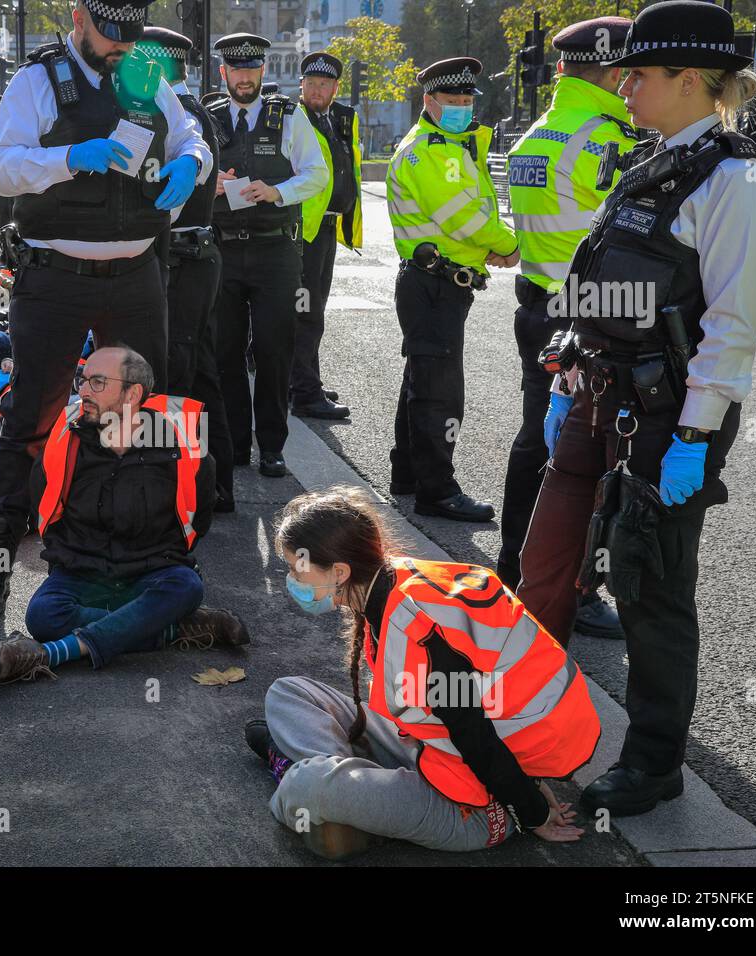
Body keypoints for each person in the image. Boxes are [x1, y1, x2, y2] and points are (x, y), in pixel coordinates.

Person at [521, 0, 756, 817]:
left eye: (639, 73)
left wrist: (696, 437)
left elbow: (731, 330)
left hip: (670, 419)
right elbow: (604, 271)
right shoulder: (649, 162)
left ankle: (654, 761)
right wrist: (571, 352)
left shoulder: (737, 183)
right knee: (546, 563)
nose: (622, 84)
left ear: (692, 80)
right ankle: (527, 722)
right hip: (597, 393)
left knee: (648, 588)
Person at [0, 0, 211, 619]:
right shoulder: (38, 80)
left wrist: (192, 161)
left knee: (144, 415)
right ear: (79, 17)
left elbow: (191, 138)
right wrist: (69, 159)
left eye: (131, 37)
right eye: (111, 35)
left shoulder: (148, 77)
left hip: (136, 274)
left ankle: (151, 552)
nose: (122, 49)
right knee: (33, 416)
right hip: (56, 276)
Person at [246, 486, 598, 859]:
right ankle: (351, 803)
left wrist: (534, 811)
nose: (291, 579)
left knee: (308, 785)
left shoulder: (421, 631)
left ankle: (327, 793)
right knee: (289, 692)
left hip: (476, 805)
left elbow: (476, 736)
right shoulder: (390, 579)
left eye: (297, 568)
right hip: (433, 752)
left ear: (339, 571)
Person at [0, 346, 248, 685]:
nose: (83, 390)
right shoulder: (65, 438)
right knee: (42, 615)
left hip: (152, 570)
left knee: (186, 585)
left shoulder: (182, 446)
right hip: (83, 571)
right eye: (83, 379)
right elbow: (44, 505)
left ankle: (51, 654)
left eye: (97, 382)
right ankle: (174, 627)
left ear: (133, 393)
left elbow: (199, 519)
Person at [499, 17, 637, 641]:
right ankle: (575, 588)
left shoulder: (540, 132)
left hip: (540, 303)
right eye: (630, 73)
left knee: (540, 440)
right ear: (613, 74)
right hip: (593, 314)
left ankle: (516, 568)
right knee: (590, 454)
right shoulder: (609, 138)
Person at [386, 57, 516, 522]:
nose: (462, 107)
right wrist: (508, 245)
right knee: (440, 393)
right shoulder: (434, 150)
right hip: (434, 283)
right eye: (453, 101)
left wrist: (488, 248)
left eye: (466, 100)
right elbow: (464, 217)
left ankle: (407, 474)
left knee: (421, 381)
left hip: (436, 281)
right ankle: (437, 491)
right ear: (429, 102)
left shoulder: (449, 145)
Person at [208, 33, 328, 481]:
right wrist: (211, 181)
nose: (243, 78)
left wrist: (278, 191)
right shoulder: (209, 117)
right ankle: (237, 443)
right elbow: (184, 166)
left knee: (276, 349)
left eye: (251, 70)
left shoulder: (289, 116)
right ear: (224, 74)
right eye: (236, 70)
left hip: (275, 249)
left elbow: (317, 174)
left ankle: (273, 447)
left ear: (263, 72)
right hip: (222, 249)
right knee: (226, 351)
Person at [135, 27, 234, 513]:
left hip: (182, 256)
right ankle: (212, 480)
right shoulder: (194, 111)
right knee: (199, 369)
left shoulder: (181, 115)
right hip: (191, 254)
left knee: (178, 373)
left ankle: (188, 483)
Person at [292, 50, 361, 421]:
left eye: (325, 84)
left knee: (312, 308)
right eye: (312, 83)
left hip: (327, 228)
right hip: (304, 232)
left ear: (336, 87)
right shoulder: (293, 119)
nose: (318, 90)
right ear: (301, 85)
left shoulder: (338, 119)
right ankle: (304, 392)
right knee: (306, 312)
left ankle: (304, 379)